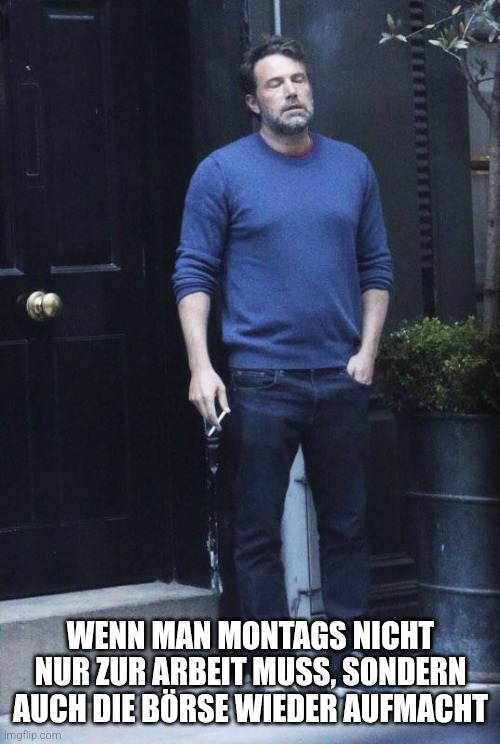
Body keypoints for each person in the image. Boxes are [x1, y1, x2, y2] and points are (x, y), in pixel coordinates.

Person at [172, 35, 393, 671]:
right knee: (256, 534)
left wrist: (367, 353)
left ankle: (351, 668)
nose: (292, 91)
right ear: (253, 101)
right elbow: (193, 272)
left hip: (341, 377)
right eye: (275, 83)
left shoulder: (352, 166)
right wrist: (200, 366)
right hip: (260, 379)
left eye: (298, 79)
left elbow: (377, 266)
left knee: (347, 530)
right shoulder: (221, 172)